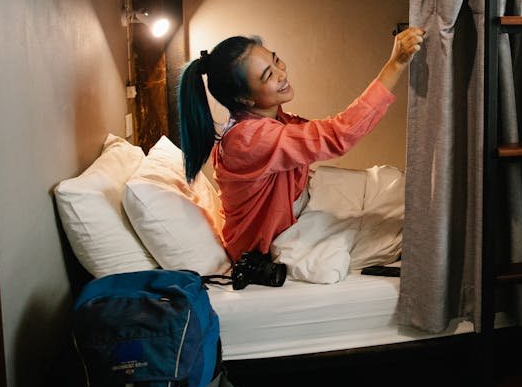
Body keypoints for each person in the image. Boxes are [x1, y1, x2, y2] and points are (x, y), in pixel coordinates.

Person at [178, 26, 425, 266]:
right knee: (397, 231)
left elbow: (323, 135)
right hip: (264, 242)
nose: (281, 74)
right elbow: (337, 135)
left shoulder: (266, 120)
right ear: (245, 98)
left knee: (393, 182)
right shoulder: (249, 139)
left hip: (296, 205)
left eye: (276, 61)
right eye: (268, 75)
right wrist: (396, 64)